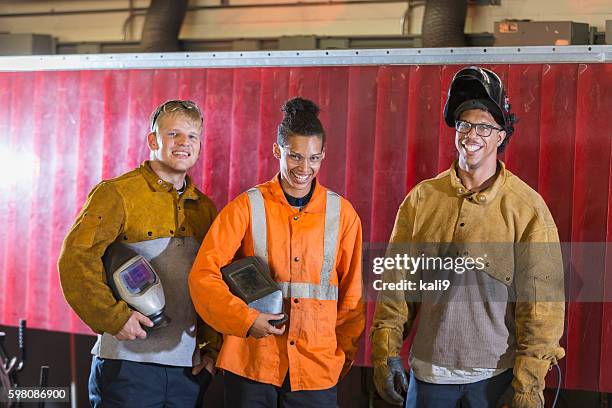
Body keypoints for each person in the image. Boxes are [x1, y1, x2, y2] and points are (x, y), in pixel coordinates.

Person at [370, 66, 565, 408]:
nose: (471, 134)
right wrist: (386, 352)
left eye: (484, 127)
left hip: (494, 378)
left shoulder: (527, 209)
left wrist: (528, 385)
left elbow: (542, 307)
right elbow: (396, 284)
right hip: (429, 376)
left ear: (501, 136)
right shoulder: (422, 200)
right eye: (464, 124)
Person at [189, 97, 365, 407]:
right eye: (295, 156)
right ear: (277, 151)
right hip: (252, 364)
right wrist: (245, 320)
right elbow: (203, 276)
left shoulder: (343, 214)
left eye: (313, 158)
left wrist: (340, 356)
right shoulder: (245, 207)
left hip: (316, 369)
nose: (304, 168)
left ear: (323, 155)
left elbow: (351, 298)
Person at [58, 100, 221, 407]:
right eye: (174, 134)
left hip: (189, 370)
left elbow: (212, 280)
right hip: (128, 368)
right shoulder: (117, 194)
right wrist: (113, 318)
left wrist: (212, 348)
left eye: (193, 136)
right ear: (152, 140)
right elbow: (76, 259)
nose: (185, 143)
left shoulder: (204, 208)